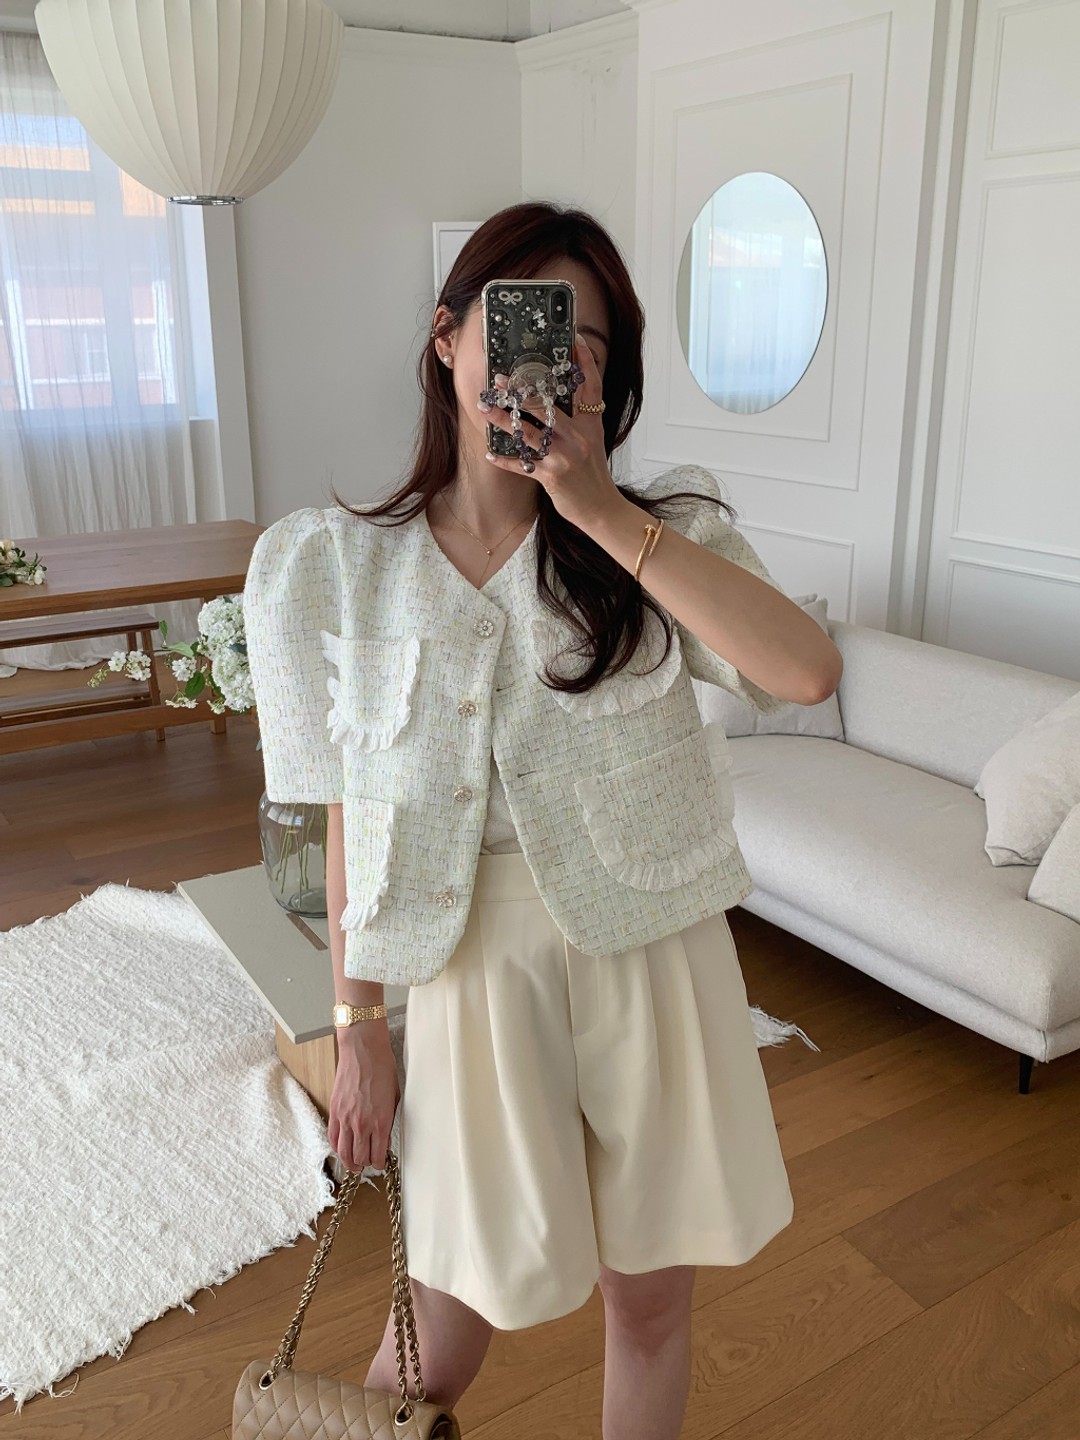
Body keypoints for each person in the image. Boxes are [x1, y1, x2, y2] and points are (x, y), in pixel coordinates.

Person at [250, 201, 841, 1440]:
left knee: (651, 1305)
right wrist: (358, 1025)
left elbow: (804, 671)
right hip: (471, 970)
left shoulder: (663, 536)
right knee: (446, 1316)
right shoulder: (337, 567)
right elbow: (336, 816)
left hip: (655, 951)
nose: (552, 360)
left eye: (588, 345)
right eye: (526, 326)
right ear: (448, 339)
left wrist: (601, 512)